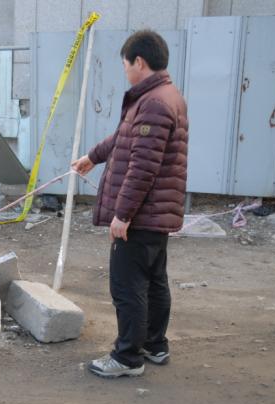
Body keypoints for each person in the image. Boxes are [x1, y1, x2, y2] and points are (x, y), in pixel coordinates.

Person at [72, 30, 188, 378]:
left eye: (124, 65)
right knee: (153, 281)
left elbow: (143, 167)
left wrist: (123, 215)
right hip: (155, 213)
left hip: (142, 215)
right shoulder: (162, 96)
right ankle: (154, 345)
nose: (124, 71)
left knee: (128, 286)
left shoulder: (153, 102)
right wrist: (93, 157)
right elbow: (125, 137)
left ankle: (127, 358)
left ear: (139, 62)